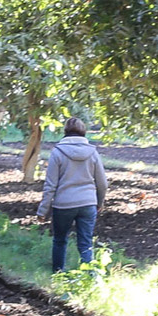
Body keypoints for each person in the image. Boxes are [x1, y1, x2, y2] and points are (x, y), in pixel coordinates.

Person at [36, 117, 108, 273]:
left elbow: (50, 185)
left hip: (64, 204)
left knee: (60, 240)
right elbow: (102, 183)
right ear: (84, 132)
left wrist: (42, 211)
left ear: (65, 131)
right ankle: (90, 276)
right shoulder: (93, 153)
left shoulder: (57, 152)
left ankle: (58, 274)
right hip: (88, 204)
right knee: (85, 243)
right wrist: (99, 203)